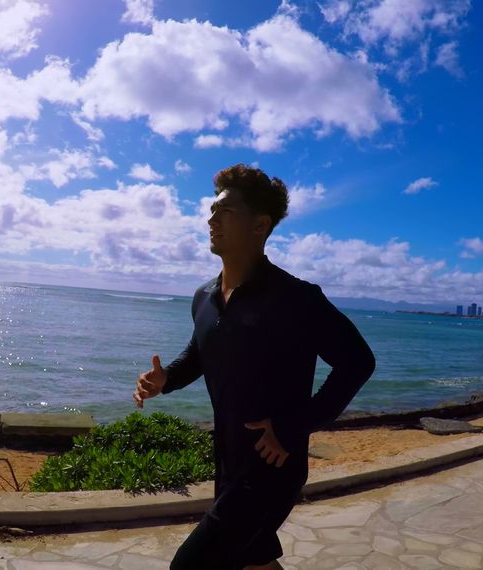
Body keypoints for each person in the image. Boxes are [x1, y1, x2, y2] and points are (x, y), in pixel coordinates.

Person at [133, 163, 377, 570]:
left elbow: (357, 362)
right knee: (254, 561)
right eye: (212, 211)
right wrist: (167, 379)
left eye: (225, 212)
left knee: (190, 565)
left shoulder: (296, 298)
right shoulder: (205, 297)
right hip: (227, 460)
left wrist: (292, 426)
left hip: (273, 465)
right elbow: (200, 352)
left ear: (260, 224)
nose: (212, 220)